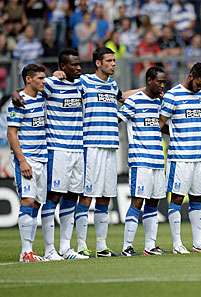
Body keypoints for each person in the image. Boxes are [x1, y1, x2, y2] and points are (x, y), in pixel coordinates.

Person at [159, 62, 201, 254]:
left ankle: (198, 243)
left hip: (199, 157)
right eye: (199, 83)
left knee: (197, 198)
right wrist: (176, 134)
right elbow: (160, 123)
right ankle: (177, 244)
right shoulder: (172, 95)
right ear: (191, 76)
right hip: (179, 157)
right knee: (176, 198)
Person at [39, 49, 88, 260]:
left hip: (78, 149)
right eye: (74, 65)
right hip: (57, 149)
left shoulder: (82, 84)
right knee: (54, 196)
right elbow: (27, 90)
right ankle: (49, 249)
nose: (78, 68)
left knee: (72, 196)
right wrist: (14, 95)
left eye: (79, 64)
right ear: (62, 67)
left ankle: (66, 248)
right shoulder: (50, 84)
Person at [74, 47, 123, 257]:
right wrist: (57, 74)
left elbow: (123, 97)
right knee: (87, 197)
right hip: (91, 146)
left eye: (114, 60)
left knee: (105, 198)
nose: (113, 63)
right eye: (109, 60)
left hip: (110, 146)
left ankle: (101, 246)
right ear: (98, 63)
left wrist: (144, 89)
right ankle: (81, 245)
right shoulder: (84, 82)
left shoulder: (113, 85)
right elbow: (62, 85)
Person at [119, 66, 168, 256]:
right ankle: (127, 246)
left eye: (164, 82)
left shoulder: (161, 104)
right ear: (149, 81)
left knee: (154, 203)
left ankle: (150, 246)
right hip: (140, 160)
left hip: (157, 159)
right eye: (159, 81)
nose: (162, 85)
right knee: (138, 201)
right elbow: (118, 118)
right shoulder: (134, 102)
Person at [7, 64, 48, 262]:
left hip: (43, 159)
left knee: (37, 204)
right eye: (40, 78)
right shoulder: (18, 102)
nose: (43, 81)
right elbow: (11, 133)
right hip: (27, 159)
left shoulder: (42, 97)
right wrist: (22, 160)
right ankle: (25, 251)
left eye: (44, 78)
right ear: (28, 79)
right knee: (27, 201)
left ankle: (29, 251)